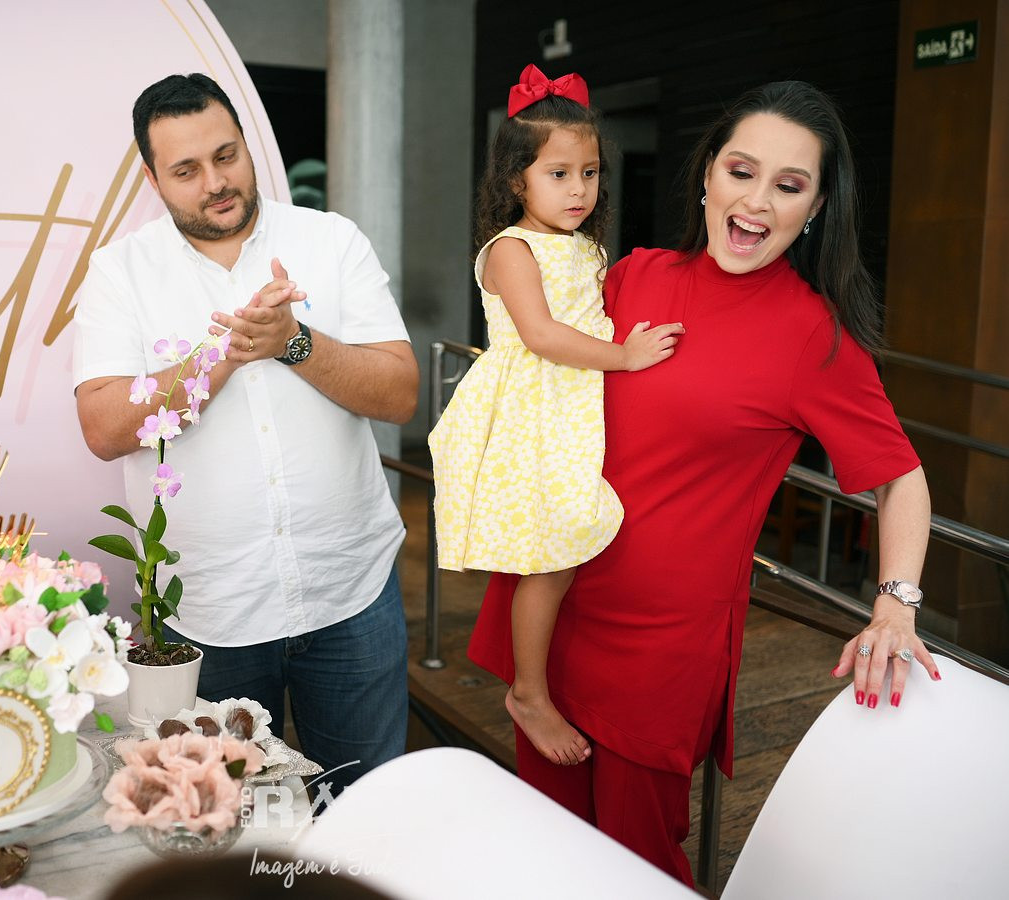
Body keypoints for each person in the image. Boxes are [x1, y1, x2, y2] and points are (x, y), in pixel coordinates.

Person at [467, 80, 935, 886]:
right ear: (706, 176)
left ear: (816, 207)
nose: (755, 202)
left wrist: (894, 603)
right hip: (552, 601)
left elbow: (900, 477)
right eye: (740, 172)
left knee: (638, 864)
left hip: (659, 644)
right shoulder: (632, 275)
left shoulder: (812, 336)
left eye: (788, 186)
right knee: (545, 852)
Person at [72, 73, 418, 789]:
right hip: (208, 613)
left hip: (349, 595)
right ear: (152, 179)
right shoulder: (119, 272)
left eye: (226, 156)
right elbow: (104, 427)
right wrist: (223, 354)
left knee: (365, 811)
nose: (215, 183)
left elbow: (400, 394)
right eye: (186, 170)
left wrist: (293, 342)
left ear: (248, 145)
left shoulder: (331, 240)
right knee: (224, 826)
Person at [428, 67, 683, 767]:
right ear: (517, 180)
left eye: (590, 173)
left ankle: (542, 682)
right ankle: (528, 693)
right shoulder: (511, 249)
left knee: (565, 554)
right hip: (531, 414)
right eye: (559, 173)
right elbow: (540, 335)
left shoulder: (585, 247)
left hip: (571, 409)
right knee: (552, 558)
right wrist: (624, 357)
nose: (578, 190)